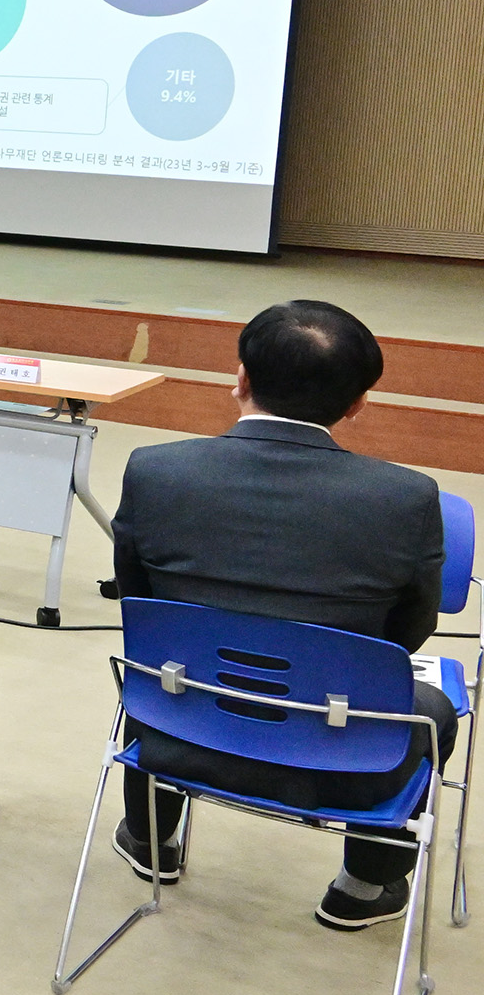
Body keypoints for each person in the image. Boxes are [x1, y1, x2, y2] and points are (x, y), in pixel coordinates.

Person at [111, 300, 459, 930]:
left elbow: (140, 606)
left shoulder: (155, 471)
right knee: (432, 709)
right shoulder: (405, 498)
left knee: (157, 665)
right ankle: (363, 886)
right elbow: (407, 635)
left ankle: (150, 841)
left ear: (240, 378)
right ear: (357, 405)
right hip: (342, 757)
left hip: (181, 734)